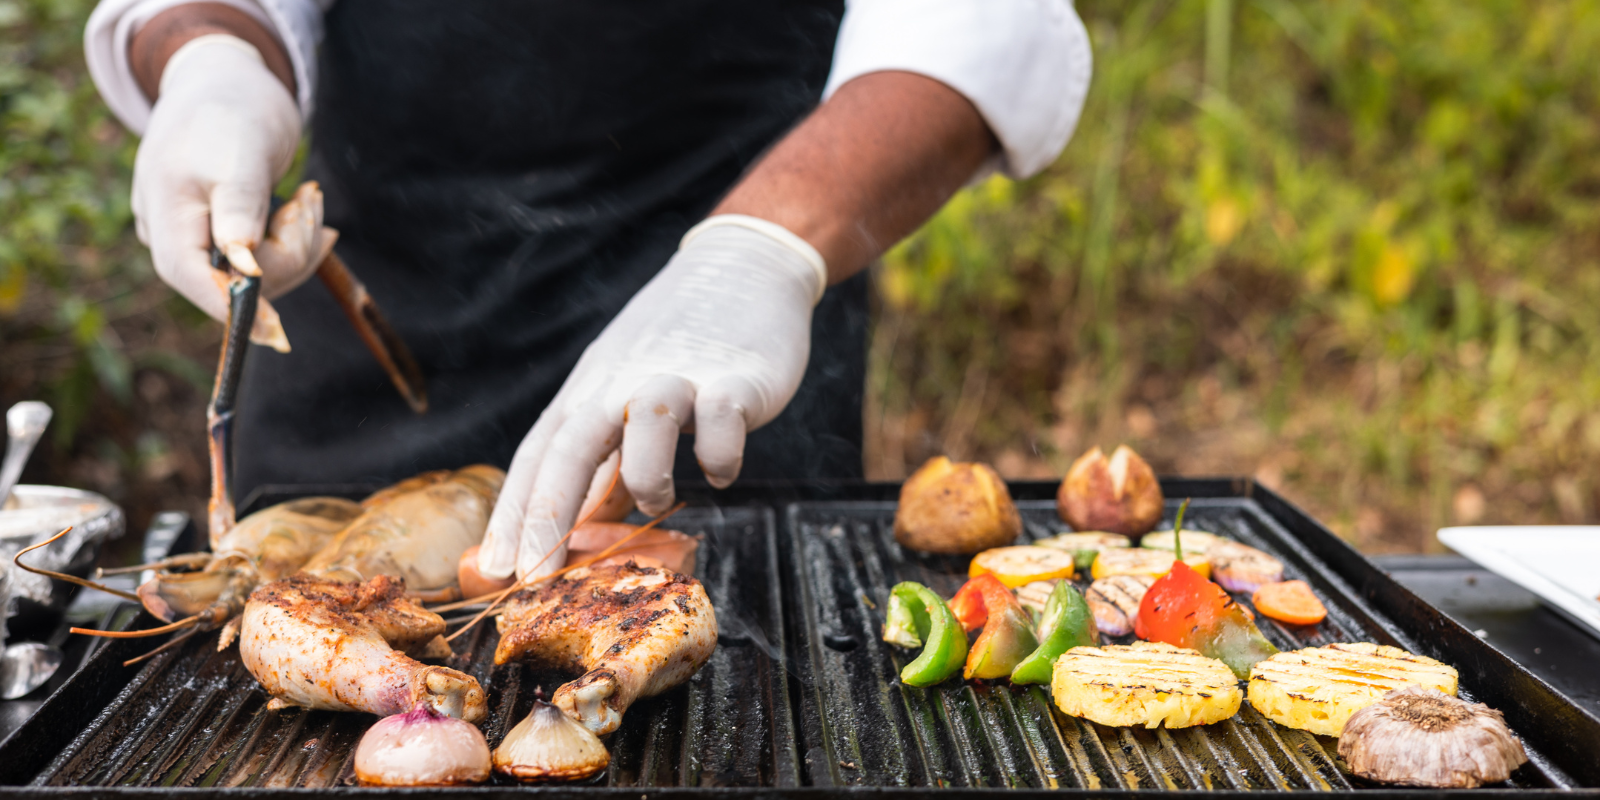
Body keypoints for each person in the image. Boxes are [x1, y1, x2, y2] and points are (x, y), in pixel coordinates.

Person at [85, 0, 1091, 582]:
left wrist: (757, 251)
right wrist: (210, 60)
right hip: (368, 339)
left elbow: (976, 27)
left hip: (708, 358)